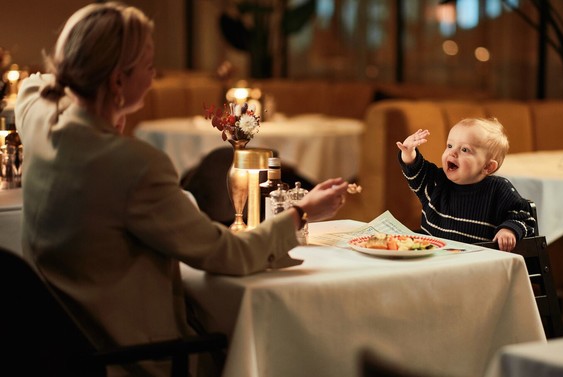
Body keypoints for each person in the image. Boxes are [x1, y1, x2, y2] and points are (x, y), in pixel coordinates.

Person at [15, 2, 348, 376]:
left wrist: (106, 113)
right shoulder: (134, 164)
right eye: (148, 64)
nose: (155, 74)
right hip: (142, 361)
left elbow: (35, 84)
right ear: (117, 82)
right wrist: (302, 212)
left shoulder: (40, 125)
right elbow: (229, 254)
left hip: (69, 354)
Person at [396, 118, 535, 251]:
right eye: (450, 145)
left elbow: (523, 216)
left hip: (475, 266)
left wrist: (509, 230)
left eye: (465, 150)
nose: (453, 152)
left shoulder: (498, 190)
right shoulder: (436, 182)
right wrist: (408, 152)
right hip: (432, 260)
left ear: (488, 167)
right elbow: (416, 170)